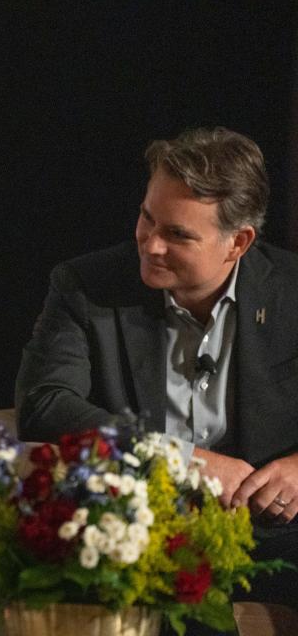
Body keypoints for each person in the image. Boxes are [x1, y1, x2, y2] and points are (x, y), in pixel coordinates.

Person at [15, 127, 298, 615]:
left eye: (178, 235)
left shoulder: (291, 293)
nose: (151, 244)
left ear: (239, 242)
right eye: (148, 219)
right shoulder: (87, 286)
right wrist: (181, 458)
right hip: (136, 529)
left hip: (272, 533)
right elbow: (45, 403)